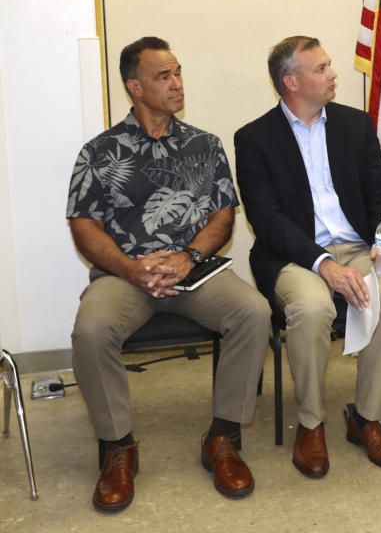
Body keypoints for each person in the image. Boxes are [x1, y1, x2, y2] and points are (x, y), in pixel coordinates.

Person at [66, 36, 270, 512]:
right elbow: (84, 226)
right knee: (91, 329)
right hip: (124, 275)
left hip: (194, 271)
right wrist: (130, 269)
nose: (177, 84)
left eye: (178, 72)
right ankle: (119, 447)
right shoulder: (99, 152)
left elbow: (223, 214)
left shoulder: (204, 144)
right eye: (164, 76)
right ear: (134, 87)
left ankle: (223, 437)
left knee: (253, 312)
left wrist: (189, 258)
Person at [234, 36, 381, 478]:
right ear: (290, 82)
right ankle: (310, 423)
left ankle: (365, 418)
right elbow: (267, 220)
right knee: (312, 308)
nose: (334, 75)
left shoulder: (355, 124)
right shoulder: (254, 139)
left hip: (357, 247)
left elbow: (380, 195)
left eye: (330, 66)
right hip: (292, 255)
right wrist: (323, 265)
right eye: (321, 69)